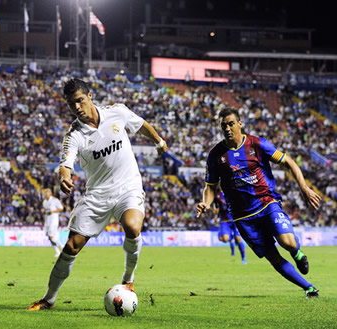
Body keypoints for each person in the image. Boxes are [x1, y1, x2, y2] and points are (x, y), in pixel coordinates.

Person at [28, 78, 168, 311]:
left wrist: (159, 140)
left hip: (128, 188)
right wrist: (64, 176)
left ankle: (128, 280)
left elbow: (140, 124)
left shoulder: (117, 113)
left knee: (133, 227)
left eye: (80, 101)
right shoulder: (74, 135)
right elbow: (65, 163)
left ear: (90, 96)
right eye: (72, 105)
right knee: (71, 246)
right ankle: (48, 299)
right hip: (97, 196)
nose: (77, 108)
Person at [195, 107, 321, 298]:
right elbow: (210, 186)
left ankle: (297, 253)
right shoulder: (215, 155)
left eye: (231, 123)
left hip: (266, 203)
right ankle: (309, 288)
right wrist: (205, 202)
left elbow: (289, 162)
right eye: (223, 125)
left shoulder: (257, 144)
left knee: (287, 242)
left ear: (240, 123)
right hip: (242, 216)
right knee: (272, 257)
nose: (227, 128)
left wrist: (304, 187)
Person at [214, 190, 246, 264]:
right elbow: (216, 208)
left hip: (235, 219)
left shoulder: (233, 190)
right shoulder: (217, 195)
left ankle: (243, 258)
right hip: (225, 221)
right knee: (225, 239)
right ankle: (231, 237)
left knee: (238, 239)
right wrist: (216, 214)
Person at [42, 188, 64, 257]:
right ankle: (57, 252)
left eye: (47, 192)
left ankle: (62, 246)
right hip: (47, 221)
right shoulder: (44, 202)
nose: (46, 193)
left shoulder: (55, 200)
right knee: (49, 237)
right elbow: (46, 211)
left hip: (54, 220)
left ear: (50, 193)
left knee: (51, 236)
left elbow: (61, 208)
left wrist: (53, 211)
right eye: (45, 192)